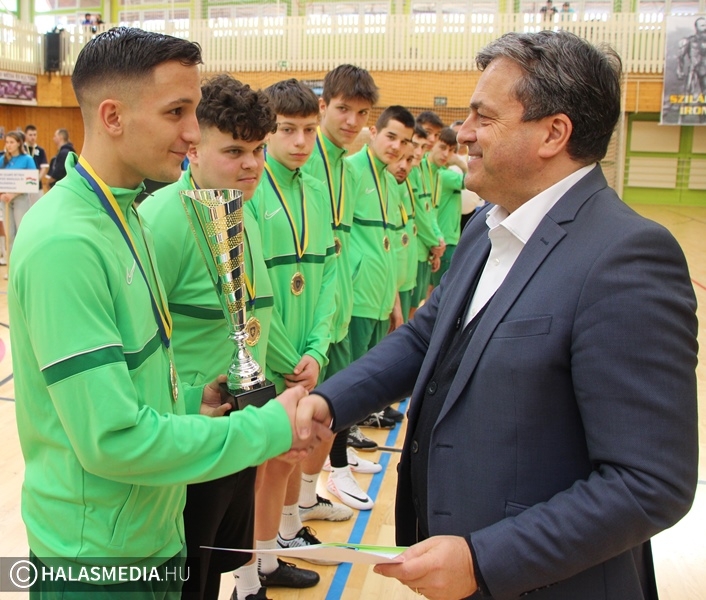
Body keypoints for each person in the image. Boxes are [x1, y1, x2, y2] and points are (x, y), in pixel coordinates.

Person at [298, 30, 699, 599]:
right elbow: (426, 338)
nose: (463, 132)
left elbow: (649, 482)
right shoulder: (490, 228)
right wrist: (330, 402)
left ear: (553, 133)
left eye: (483, 117)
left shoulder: (626, 257)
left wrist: (484, 561)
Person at [9, 27, 328, 598]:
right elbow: (111, 440)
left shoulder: (124, 216)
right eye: (176, 112)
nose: (191, 133)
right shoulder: (66, 242)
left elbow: (134, 381)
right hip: (96, 559)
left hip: (153, 528)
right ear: (112, 116)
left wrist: (191, 402)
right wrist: (264, 428)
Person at [139, 74, 319, 600]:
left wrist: (292, 365)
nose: (252, 164)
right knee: (185, 576)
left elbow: (255, 310)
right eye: (234, 151)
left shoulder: (243, 210)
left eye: (258, 149)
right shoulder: (159, 222)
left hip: (239, 426)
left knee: (215, 566)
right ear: (193, 149)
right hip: (187, 436)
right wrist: (186, 405)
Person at [247, 77, 340, 574]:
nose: (301, 141)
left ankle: (282, 536)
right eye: (287, 129)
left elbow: (328, 279)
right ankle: (256, 567)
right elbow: (251, 291)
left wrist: (318, 350)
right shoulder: (252, 190)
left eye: (308, 129)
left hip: (306, 356)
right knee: (263, 466)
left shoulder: (317, 190)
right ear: (268, 131)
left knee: (290, 454)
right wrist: (290, 360)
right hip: (268, 357)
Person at [299, 63, 382, 518]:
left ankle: (317, 486)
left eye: (362, 113)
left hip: (342, 305)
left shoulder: (347, 170)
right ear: (323, 106)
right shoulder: (305, 161)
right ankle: (311, 491)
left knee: (337, 403)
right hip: (312, 313)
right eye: (343, 109)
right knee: (313, 413)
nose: (352, 121)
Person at [427, 127, 464, 288]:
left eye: (451, 150)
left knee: (430, 290)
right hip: (445, 240)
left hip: (438, 238)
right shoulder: (445, 176)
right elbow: (471, 181)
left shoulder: (438, 173)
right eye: (443, 148)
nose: (446, 154)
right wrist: (460, 163)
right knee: (442, 290)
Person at [0, 131, 35, 265]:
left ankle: (23, 264)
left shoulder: (27, 159)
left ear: (19, 143)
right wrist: (2, 194)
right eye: (7, 142)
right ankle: (11, 265)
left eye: (12, 142)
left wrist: (13, 194)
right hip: (5, 200)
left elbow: (32, 181)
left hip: (20, 199)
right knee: (9, 235)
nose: (8, 145)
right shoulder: (3, 160)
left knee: (21, 232)